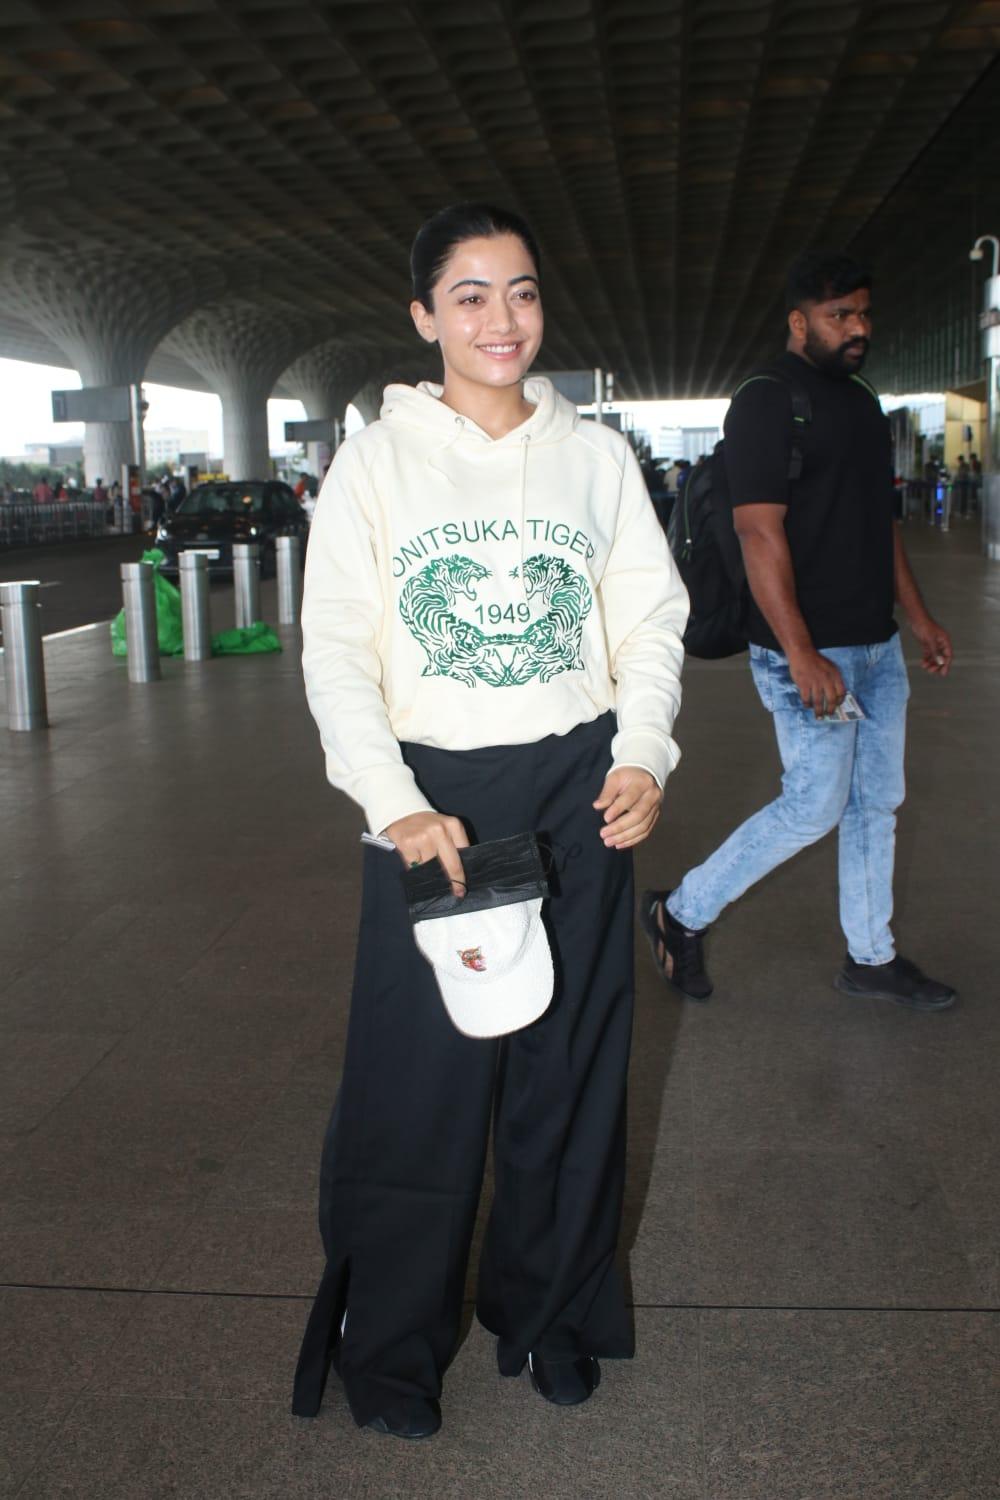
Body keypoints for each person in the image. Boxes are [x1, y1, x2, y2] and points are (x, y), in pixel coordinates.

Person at [293, 202, 688, 1440]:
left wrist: (644, 753)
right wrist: (395, 804)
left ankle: (554, 1315)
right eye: (469, 296)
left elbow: (649, 621)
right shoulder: (376, 460)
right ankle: (394, 1349)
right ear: (423, 317)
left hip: (577, 791)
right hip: (435, 806)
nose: (499, 319)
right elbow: (335, 653)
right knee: (422, 1088)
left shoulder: (595, 457)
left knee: (567, 1075)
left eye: (519, 292)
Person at [642, 251, 956, 1013]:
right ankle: (679, 913)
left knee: (875, 801)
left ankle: (871, 957)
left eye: (862, 314)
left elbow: (877, 523)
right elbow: (757, 533)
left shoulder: (858, 402)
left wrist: (915, 616)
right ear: (797, 321)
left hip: (875, 646)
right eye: (838, 316)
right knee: (815, 803)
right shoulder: (766, 401)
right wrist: (801, 651)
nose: (857, 329)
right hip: (806, 652)